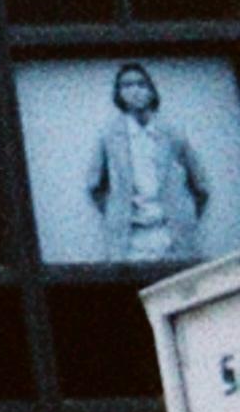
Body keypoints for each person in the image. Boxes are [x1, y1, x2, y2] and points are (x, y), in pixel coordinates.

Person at [86, 61, 210, 271]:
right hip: (132, 239)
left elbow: (200, 186)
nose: (134, 91)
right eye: (126, 85)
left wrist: (183, 215)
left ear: (152, 91)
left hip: (172, 235)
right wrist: (118, 213)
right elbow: (95, 185)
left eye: (141, 84)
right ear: (118, 94)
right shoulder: (110, 137)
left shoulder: (173, 133)